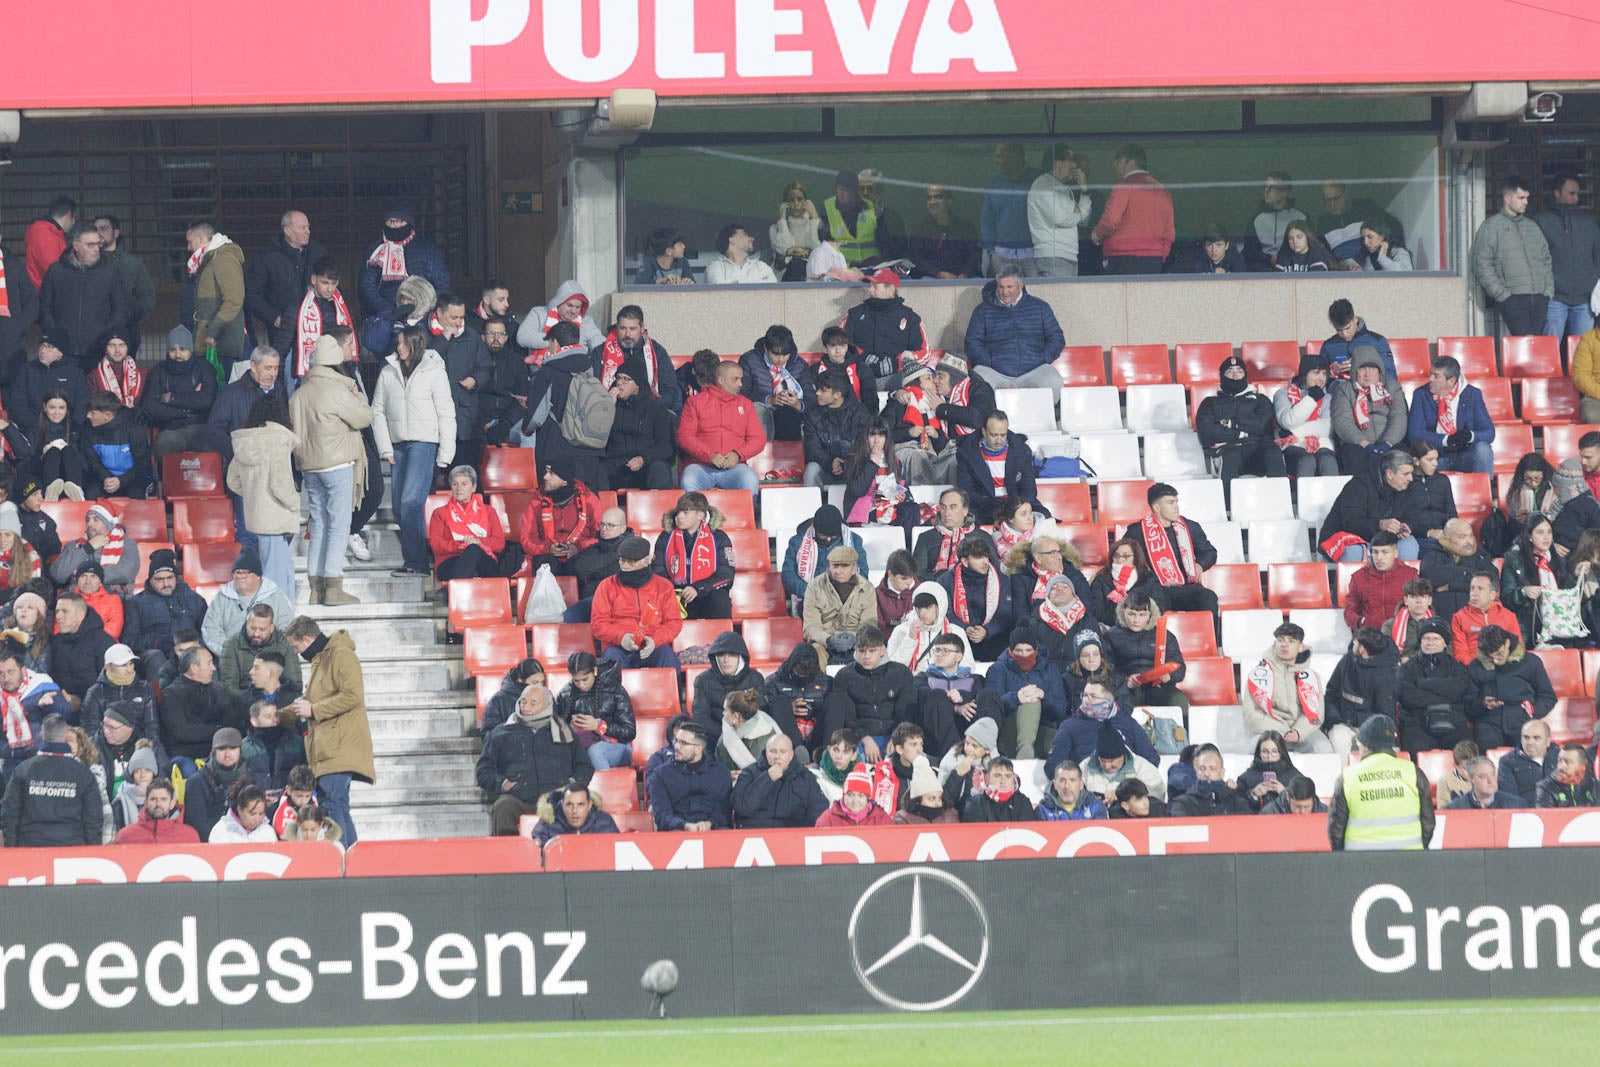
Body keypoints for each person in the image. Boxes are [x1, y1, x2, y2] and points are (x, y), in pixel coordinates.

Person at [290, 334, 373, 605]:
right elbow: (363, 417)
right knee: (339, 526)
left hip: (310, 467)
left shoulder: (299, 393)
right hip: (337, 463)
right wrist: (358, 395)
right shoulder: (338, 389)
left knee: (320, 525)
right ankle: (334, 587)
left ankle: (316, 590)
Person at [372, 323, 455, 576]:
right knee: (399, 506)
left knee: (410, 502)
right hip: (397, 446)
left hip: (423, 444)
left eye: (404, 343)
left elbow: (446, 413)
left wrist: (445, 454)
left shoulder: (434, 371)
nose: (399, 347)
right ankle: (416, 558)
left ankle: (417, 563)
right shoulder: (388, 371)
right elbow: (377, 410)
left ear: (417, 344)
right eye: (397, 343)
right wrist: (385, 447)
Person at [476, 682, 589, 836]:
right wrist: (504, 784)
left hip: (557, 798)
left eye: (533, 703)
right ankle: (508, 858)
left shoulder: (564, 731)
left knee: (577, 807)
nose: (526, 707)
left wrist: (572, 784)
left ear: (547, 706)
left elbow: (584, 766)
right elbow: (484, 771)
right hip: (520, 798)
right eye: (523, 701)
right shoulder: (501, 733)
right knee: (502, 807)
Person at [224, 394, 299, 597]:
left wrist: (253, 494)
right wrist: (295, 504)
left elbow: (233, 480)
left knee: (271, 574)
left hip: (257, 517)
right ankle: (280, 624)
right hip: (277, 515)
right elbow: (280, 483)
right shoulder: (279, 440)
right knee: (280, 578)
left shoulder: (246, 442)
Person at [1328, 715, 1434, 850]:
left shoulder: (1348, 777)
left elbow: (1336, 830)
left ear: (1365, 746)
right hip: (1409, 863)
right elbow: (1428, 823)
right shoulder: (1413, 773)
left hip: (1361, 865)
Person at [886, 357, 992, 488]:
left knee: (955, 459)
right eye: (930, 378)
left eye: (939, 377)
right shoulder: (900, 401)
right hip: (909, 450)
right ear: (915, 382)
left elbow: (974, 418)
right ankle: (923, 501)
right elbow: (883, 432)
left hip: (944, 449)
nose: (935, 381)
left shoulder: (941, 400)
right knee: (918, 457)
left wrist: (936, 433)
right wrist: (908, 432)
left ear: (953, 378)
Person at [1195, 355, 1285, 504]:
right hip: (1229, 449)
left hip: (1259, 448)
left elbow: (1263, 425)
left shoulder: (1261, 399)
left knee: (1273, 453)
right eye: (1230, 371)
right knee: (1231, 456)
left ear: (1245, 375)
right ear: (1222, 376)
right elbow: (1207, 431)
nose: (1235, 374)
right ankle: (1228, 509)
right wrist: (1243, 433)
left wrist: (1232, 424)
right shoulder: (1210, 403)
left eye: (1239, 371)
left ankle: (1281, 504)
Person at [0, 714, 101, 847]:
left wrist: (11, 847)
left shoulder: (23, 769)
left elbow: (10, 814)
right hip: (71, 849)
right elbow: (93, 819)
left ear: (41, 735)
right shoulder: (83, 773)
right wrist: (93, 851)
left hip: (30, 849)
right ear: (66, 737)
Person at [963, 267, 1065, 397]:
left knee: (1054, 381)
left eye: (1009, 287)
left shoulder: (1040, 307)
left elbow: (1056, 338)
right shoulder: (982, 310)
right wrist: (989, 361)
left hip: (1034, 369)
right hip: (994, 371)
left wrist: (1042, 358)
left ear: (1020, 286)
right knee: (978, 380)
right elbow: (972, 342)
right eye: (1001, 287)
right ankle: (991, 418)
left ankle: (1041, 417)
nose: (1005, 292)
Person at [1471, 176, 1553, 336]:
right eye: (1521, 198)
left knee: (1535, 345)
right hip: (1513, 297)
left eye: (1527, 198)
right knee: (1524, 344)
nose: (1526, 202)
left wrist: (1547, 291)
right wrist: (1502, 294)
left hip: (1539, 296)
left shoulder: (1532, 226)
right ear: (1507, 198)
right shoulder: (1492, 226)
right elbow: (1481, 263)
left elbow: (1546, 259)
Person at [820, 625, 916, 762]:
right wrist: (865, 739)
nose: (867, 656)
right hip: (858, 738)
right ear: (855, 650)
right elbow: (848, 717)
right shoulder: (844, 676)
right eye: (862, 651)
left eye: (872, 651)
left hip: (895, 735)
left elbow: (907, 712)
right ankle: (827, 760)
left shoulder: (900, 673)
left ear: (882, 650)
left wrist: (898, 737)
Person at [39, 224, 126, 369]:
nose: (96, 249)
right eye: (90, 245)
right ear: (76, 245)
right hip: (63, 349)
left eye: (98, 244)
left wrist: (107, 335)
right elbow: (44, 307)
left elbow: (120, 308)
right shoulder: (56, 271)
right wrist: (55, 334)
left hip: (99, 349)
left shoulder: (110, 271)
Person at [426, 292, 495, 473]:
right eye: (453, 317)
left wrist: (476, 380)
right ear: (439, 313)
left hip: (465, 419)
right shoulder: (424, 334)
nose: (458, 322)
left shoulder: (471, 337)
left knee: (465, 473)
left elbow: (485, 367)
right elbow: (422, 364)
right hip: (433, 417)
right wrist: (442, 340)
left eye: (461, 317)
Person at [244, 209, 326, 356]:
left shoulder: (318, 254)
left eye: (308, 227)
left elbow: (330, 285)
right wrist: (274, 318)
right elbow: (251, 295)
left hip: (315, 329)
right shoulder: (267, 260)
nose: (308, 231)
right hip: (282, 334)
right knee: (285, 373)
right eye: (303, 228)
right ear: (287, 231)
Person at [676, 359, 766, 494]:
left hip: (735, 468)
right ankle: (694, 515)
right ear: (721, 380)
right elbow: (684, 437)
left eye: (741, 379)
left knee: (750, 478)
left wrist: (738, 454)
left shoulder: (746, 404)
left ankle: (749, 515)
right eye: (735, 379)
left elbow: (758, 439)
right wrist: (710, 455)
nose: (740, 384)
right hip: (700, 466)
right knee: (689, 479)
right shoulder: (695, 402)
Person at [1241, 622, 1332, 753]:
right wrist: (1281, 730)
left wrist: (1297, 732)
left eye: (1291, 641)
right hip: (1270, 732)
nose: (1284, 644)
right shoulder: (1258, 675)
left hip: (1302, 733)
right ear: (1274, 644)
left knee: (1323, 749)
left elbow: (1317, 715)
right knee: (1252, 748)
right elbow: (1251, 715)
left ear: (1300, 647)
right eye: (1280, 640)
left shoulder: (1311, 677)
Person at [1319, 450, 1420, 563]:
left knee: (1409, 543)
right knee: (1354, 550)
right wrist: (1380, 524)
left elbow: (1414, 515)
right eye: (1406, 474)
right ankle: (1351, 581)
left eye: (1411, 473)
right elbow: (1351, 521)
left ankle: (1404, 581)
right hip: (1348, 537)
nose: (1411, 478)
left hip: (1383, 540)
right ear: (1390, 474)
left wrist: (1406, 526)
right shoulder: (1358, 485)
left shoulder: (1405, 487)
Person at [1395, 617, 1478, 753]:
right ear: (1420, 641)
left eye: (1436, 638)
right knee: (1417, 747)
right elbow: (1407, 696)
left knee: (1467, 751)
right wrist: (1447, 696)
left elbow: (1459, 689)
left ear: (1445, 643)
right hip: (1416, 723)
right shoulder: (1408, 668)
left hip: (1453, 720)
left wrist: (1423, 683)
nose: (1430, 642)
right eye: (1426, 638)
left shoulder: (1457, 667)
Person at [1466, 624, 1555, 749]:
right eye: (1490, 657)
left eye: (1499, 654)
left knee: (1529, 748)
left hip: (1521, 719)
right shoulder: (1475, 666)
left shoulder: (1530, 661)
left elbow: (1547, 696)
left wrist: (1531, 712)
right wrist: (1483, 704)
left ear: (1507, 643)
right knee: (1484, 747)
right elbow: (1468, 703)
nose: (1495, 661)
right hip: (1488, 721)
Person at [428, 465, 519, 588]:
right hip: (450, 562)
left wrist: (477, 542)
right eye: (455, 484)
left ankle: (454, 595)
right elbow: (436, 545)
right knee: (472, 560)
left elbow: (499, 543)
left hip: (483, 560)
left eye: (464, 484)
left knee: (474, 550)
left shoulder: (489, 511)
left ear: (474, 487)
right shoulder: (440, 513)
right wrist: (461, 545)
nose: (459, 488)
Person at [1135, 483, 1219, 616]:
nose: (1176, 507)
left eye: (1176, 502)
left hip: (1188, 587)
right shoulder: (1138, 531)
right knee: (1149, 604)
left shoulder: (1189, 527)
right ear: (1156, 507)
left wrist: (1200, 565)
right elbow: (1126, 556)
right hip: (1158, 589)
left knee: (1208, 598)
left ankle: (1211, 637)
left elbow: (1209, 552)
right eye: (1170, 503)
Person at [141, 327, 219, 469]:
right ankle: (166, 487)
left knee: (218, 442)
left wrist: (171, 398)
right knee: (164, 443)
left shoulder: (204, 368)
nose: (178, 355)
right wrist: (188, 407)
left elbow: (207, 400)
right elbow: (150, 407)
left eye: (183, 349)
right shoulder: (159, 370)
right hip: (171, 429)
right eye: (172, 350)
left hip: (201, 427)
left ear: (190, 350)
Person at [651, 491, 735, 621]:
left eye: (685, 513)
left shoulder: (719, 538)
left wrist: (698, 588)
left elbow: (726, 576)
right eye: (678, 512)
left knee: (720, 599)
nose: (679, 517)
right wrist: (672, 592)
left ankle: (725, 639)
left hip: (707, 593)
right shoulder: (666, 537)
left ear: (700, 515)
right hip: (677, 595)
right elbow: (658, 572)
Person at [1533, 175, 1600, 339]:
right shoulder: (1541, 221)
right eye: (1571, 193)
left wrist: (1594, 285)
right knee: (1550, 350)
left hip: (1585, 299)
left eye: (1577, 194)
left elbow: (1597, 255)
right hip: (1554, 297)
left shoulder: (1589, 222)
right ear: (1557, 193)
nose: (1576, 198)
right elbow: (1534, 260)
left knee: (1582, 352)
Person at [1091, 144, 1175, 274]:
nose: (1114, 165)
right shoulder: (1162, 191)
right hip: (1154, 260)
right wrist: (1159, 254)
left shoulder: (1124, 186)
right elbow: (1168, 233)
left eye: (1118, 160)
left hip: (1123, 259)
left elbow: (1111, 220)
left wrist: (1097, 234)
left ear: (1130, 162)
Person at [359, 207, 451, 323]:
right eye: (390, 222)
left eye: (398, 222)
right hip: (387, 315)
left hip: (423, 315)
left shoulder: (426, 249)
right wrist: (390, 311)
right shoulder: (375, 251)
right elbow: (366, 285)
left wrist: (426, 309)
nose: (393, 226)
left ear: (409, 223)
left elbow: (442, 282)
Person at [120, 550, 207, 673]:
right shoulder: (135, 604)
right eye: (160, 579)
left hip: (189, 652)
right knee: (155, 657)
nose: (166, 584)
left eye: (170, 578)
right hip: (156, 655)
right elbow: (129, 641)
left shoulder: (194, 600)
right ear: (150, 580)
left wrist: (192, 647)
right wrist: (158, 642)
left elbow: (206, 633)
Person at [987, 624, 1065, 759]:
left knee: (1059, 744)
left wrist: (1043, 696)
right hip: (1011, 731)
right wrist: (1016, 698)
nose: (1024, 655)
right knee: (1031, 702)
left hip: (1042, 728)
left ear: (1036, 650)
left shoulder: (1050, 669)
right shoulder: (998, 669)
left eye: (1028, 650)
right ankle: (1025, 751)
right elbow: (993, 706)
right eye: (1018, 650)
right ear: (1010, 650)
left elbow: (1061, 708)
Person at [955, 411, 1046, 527]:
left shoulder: (1022, 451)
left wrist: (1017, 507)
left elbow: (1029, 488)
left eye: (1003, 435)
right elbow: (966, 491)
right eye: (994, 435)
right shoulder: (966, 453)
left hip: (1017, 503)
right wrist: (995, 505)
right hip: (984, 506)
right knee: (969, 521)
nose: (999, 440)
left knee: (1045, 517)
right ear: (984, 431)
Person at [1330, 346, 1407, 480]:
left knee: (1400, 454)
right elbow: (1343, 422)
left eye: (1372, 368)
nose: (1367, 374)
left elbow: (1399, 417)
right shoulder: (1344, 389)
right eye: (1362, 368)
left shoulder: (1392, 387)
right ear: (1354, 371)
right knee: (1354, 455)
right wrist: (1365, 444)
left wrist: (1388, 443)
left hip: (1389, 442)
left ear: (1379, 371)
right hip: (1358, 444)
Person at [841, 269, 927, 389]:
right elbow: (840, 342)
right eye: (870, 286)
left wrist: (897, 363)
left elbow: (924, 352)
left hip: (898, 378)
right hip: (859, 374)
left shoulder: (910, 317)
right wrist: (863, 358)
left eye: (875, 286)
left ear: (891, 289)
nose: (870, 290)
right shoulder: (855, 313)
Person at [199, 548, 293, 656]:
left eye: (245, 573)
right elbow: (210, 629)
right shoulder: (222, 597)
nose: (239, 576)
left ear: (258, 576)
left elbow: (286, 627)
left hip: (268, 660)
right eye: (236, 572)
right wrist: (230, 652)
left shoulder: (276, 596)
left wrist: (267, 654)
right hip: (230, 659)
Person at [1104, 592, 1188, 711]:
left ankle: (1181, 730)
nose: (1136, 620)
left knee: (1179, 700)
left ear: (1149, 615)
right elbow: (1104, 668)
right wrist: (1124, 680)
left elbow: (1179, 667)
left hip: (1158, 687)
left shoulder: (1164, 635)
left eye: (1142, 615)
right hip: (1125, 689)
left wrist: (1169, 676)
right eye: (1131, 614)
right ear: (1123, 612)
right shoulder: (1110, 636)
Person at [592, 305, 682, 415]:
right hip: (612, 412)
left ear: (642, 328)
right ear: (617, 327)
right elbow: (592, 389)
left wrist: (650, 406)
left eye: (632, 329)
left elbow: (670, 390)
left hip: (649, 412)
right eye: (623, 328)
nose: (627, 334)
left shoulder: (657, 352)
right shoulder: (601, 353)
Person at [554, 652, 636, 771]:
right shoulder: (566, 693)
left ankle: (605, 789)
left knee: (595, 751)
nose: (581, 685)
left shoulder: (615, 690)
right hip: (580, 744)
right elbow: (558, 729)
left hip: (617, 746)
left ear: (595, 671)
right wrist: (569, 728)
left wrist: (599, 726)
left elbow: (630, 731)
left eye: (585, 679)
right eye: (576, 681)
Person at [517, 458, 601, 575]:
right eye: (546, 472)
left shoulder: (590, 500)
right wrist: (547, 548)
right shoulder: (536, 501)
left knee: (584, 565)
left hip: (580, 553)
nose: (545, 477)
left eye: (551, 473)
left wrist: (578, 547)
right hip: (546, 555)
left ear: (564, 481)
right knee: (546, 567)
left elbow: (600, 536)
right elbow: (527, 538)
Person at [937, 535, 1014, 662]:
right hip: (959, 638)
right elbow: (946, 613)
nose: (985, 562)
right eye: (979, 557)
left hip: (994, 639)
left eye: (986, 556)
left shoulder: (1002, 580)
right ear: (965, 561)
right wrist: (964, 629)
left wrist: (987, 631)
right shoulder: (946, 581)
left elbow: (1005, 613)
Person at [647, 718, 732, 832]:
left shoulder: (721, 773)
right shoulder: (661, 775)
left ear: (698, 749)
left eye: (683, 743)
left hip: (712, 831)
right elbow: (662, 815)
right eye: (676, 741)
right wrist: (685, 826)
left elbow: (724, 812)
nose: (676, 746)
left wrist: (709, 823)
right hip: (677, 832)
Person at [184, 220, 248, 368]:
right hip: (213, 343)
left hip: (222, 344)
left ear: (200, 239)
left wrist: (213, 332)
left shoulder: (223, 258)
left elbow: (234, 300)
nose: (188, 248)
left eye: (190, 242)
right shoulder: (210, 260)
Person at [802, 545, 878, 666]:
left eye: (844, 566)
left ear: (854, 568)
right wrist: (829, 640)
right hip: (824, 643)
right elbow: (810, 627)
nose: (838, 571)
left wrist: (854, 639)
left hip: (858, 643)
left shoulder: (867, 588)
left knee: (877, 653)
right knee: (812, 655)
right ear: (829, 566)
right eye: (835, 566)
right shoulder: (814, 587)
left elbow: (869, 625)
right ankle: (820, 684)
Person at [1027, 144, 1091, 277]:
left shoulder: (1064, 189)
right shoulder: (1042, 185)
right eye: (1070, 160)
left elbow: (1084, 220)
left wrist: (1084, 191)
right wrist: (1077, 213)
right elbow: (1061, 219)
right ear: (1057, 163)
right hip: (1053, 256)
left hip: (1069, 255)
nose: (1074, 165)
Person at [802, 370, 870, 491]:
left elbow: (865, 447)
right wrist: (830, 462)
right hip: (826, 468)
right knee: (811, 469)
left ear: (837, 394)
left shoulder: (860, 413)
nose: (817, 393)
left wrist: (848, 464)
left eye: (822, 390)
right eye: (817, 389)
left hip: (854, 468)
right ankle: (812, 509)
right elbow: (812, 448)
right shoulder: (812, 414)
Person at [1273, 353, 1338, 478]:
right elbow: (1288, 421)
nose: (1321, 378)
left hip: (1322, 444)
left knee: (1328, 461)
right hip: (1293, 446)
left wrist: (1293, 432)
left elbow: (1327, 427)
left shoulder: (1328, 398)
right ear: (1304, 374)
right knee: (1307, 461)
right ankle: (1301, 497)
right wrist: (1311, 398)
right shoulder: (1282, 395)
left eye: (1324, 374)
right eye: (1316, 373)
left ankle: (1335, 498)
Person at [1420, 518, 1499, 621]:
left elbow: (1490, 582)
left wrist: (1452, 586)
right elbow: (1430, 577)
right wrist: (1468, 574)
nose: (1469, 541)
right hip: (1441, 619)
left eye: (1471, 536)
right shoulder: (1435, 554)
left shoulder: (1481, 556)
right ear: (1448, 538)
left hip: (1475, 617)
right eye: (1462, 537)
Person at [689, 631, 763, 740]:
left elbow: (759, 713)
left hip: (749, 737)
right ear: (715, 657)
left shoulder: (755, 679)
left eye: (732, 654)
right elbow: (701, 717)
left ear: (740, 657)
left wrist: (742, 735)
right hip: (715, 738)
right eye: (721, 654)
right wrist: (726, 736)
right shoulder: (703, 680)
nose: (726, 660)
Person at [82, 388, 154, 500]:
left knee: (137, 498)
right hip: (104, 479)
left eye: (93, 413)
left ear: (107, 415)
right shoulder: (88, 431)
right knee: (91, 496)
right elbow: (93, 463)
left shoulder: (135, 431)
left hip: (133, 479)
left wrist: (121, 481)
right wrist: (106, 478)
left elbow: (142, 464)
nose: (88, 416)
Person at [218, 603, 303, 697]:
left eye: (262, 629)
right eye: (252, 628)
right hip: (244, 703)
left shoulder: (285, 643)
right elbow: (228, 688)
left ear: (271, 628)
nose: (256, 634)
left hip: (279, 703)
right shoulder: (231, 645)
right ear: (247, 624)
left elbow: (295, 685)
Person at [50, 502, 139, 591]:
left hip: (113, 597)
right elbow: (57, 574)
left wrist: (82, 573)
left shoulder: (126, 544)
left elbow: (126, 573)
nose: (90, 524)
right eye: (88, 520)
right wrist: (87, 548)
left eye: (96, 520)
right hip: (78, 599)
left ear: (108, 524)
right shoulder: (73, 545)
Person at [911, 488, 996, 580]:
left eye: (953, 507)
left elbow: (994, 572)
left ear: (965, 510)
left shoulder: (982, 537)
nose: (947, 513)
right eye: (943, 507)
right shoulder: (926, 537)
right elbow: (916, 576)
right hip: (936, 588)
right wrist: (941, 578)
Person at [1344, 532, 1420, 632]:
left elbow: (1419, 606)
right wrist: (1362, 621)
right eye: (1375, 552)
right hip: (1369, 634)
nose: (1379, 558)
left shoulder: (1410, 575)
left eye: (1385, 552)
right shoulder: (1358, 577)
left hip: (1402, 634)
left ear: (1395, 553)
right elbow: (1350, 611)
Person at [1079, 720, 1166, 806]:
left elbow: (1158, 796)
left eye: (1111, 761)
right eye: (1102, 760)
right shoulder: (1084, 767)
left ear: (1122, 755)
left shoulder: (1143, 768)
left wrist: (1125, 795)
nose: (1107, 766)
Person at [980, 144, 1036, 276]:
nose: (996, 161)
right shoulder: (994, 183)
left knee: (1037, 294)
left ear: (1015, 157)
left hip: (1033, 254)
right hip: (1002, 255)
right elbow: (986, 221)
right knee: (1004, 295)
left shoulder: (1037, 179)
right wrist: (992, 252)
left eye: (1000, 156)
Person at [907, 183, 982, 280]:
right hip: (931, 278)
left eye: (937, 197)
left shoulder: (966, 226)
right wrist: (938, 273)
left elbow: (975, 255)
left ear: (949, 201)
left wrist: (965, 274)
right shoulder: (920, 229)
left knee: (978, 283)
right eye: (929, 198)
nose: (932, 201)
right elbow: (916, 258)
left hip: (964, 277)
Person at [517, 280, 606, 359]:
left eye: (578, 307)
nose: (573, 311)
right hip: (541, 370)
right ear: (559, 302)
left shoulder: (586, 321)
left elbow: (599, 343)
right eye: (569, 305)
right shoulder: (539, 313)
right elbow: (522, 337)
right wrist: (555, 342)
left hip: (576, 373)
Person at [1450, 571, 1522, 665]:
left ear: (1492, 595)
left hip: (1504, 668)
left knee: (1534, 661)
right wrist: (1479, 669)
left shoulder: (1508, 616)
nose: (1474, 593)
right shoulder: (1459, 617)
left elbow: (1518, 648)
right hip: (1474, 670)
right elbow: (1460, 653)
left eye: (1480, 589)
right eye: (1472, 588)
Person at [31, 390, 89, 502]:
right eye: (52, 407)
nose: (57, 412)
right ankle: (50, 492)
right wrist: (43, 453)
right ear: (44, 407)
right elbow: (26, 466)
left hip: (72, 476)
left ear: (67, 409)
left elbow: (86, 465)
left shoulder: (76, 429)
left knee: (67, 450)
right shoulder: (35, 429)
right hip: (44, 476)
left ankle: (77, 491)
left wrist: (72, 450)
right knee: (53, 452)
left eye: (61, 408)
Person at [1245, 171, 1308, 269]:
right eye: (1266, 187)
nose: (1266, 192)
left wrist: (1284, 259)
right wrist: (1269, 259)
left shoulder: (1301, 217)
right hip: (1263, 270)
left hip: (1293, 267)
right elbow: (1249, 253)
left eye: (1271, 188)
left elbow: (1310, 249)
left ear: (1285, 192)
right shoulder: (1256, 219)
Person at [1168, 744, 1252, 817]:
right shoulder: (1183, 804)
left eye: (1213, 769)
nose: (1207, 773)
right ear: (1197, 772)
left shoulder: (1238, 804)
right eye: (1202, 769)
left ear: (1222, 773)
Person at [1321, 299, 1398, 377]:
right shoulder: (1328, 346)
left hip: (1370, 386)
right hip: (1339, 386)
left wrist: (1362, 368)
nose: (1344, 334)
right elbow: (1319, 379)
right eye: (1339, 330)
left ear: (1355, 319)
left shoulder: (1377, 342)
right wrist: (1331, 371)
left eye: (1347, 328)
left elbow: (1390, 375)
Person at [715, 687, 783, 774]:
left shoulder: (725, 744)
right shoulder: (768, 723)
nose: (723, 713)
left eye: (725, 710)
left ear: (737, 716)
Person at [113, 776, 200, 845]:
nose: (158, 804)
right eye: (153, 799)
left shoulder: (190, 836)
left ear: (172, 804)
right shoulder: (125, 836)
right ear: (146, 803)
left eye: (163, 799)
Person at [529, 779, 619, 845]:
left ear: (589, 805)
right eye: (569, 805)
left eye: (580, 805)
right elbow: (536, 859)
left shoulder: (605, 822)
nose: (574, 811)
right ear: (562, 804)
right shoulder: (547, 824)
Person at [480, 659, 547, 746]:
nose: (539, 687)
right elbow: (488, 735)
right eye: (534, 683)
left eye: (542, 682)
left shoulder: (546, 697)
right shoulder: (499, 700)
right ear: (520, 680)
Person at [822, 169, 880, 269]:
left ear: (854, 191)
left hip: (871, 268)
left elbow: (882, 238)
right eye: (839, 189)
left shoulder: (869, 207)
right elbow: (823, 243)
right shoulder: (827, 208)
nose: (842, 194)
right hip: (841, 270)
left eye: (846, 190)